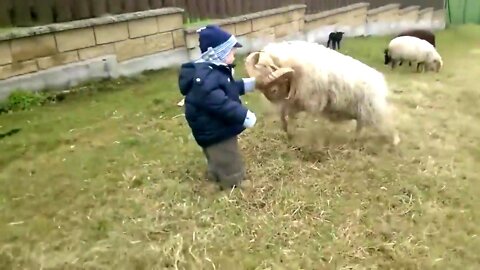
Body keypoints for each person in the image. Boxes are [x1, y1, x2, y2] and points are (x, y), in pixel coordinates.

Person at [177, 24, 257, 189]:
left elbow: (229, 88)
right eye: (231, 52)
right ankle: (234, 182)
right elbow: (221, 104)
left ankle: (215, 174)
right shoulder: (206, 80)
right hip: (216, 128)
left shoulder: (213, 71)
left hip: (210, 126)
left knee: (215, 154)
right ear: (218, 53)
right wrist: (244, 115)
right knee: (227, 156)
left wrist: (251, 84)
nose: (234, 55)